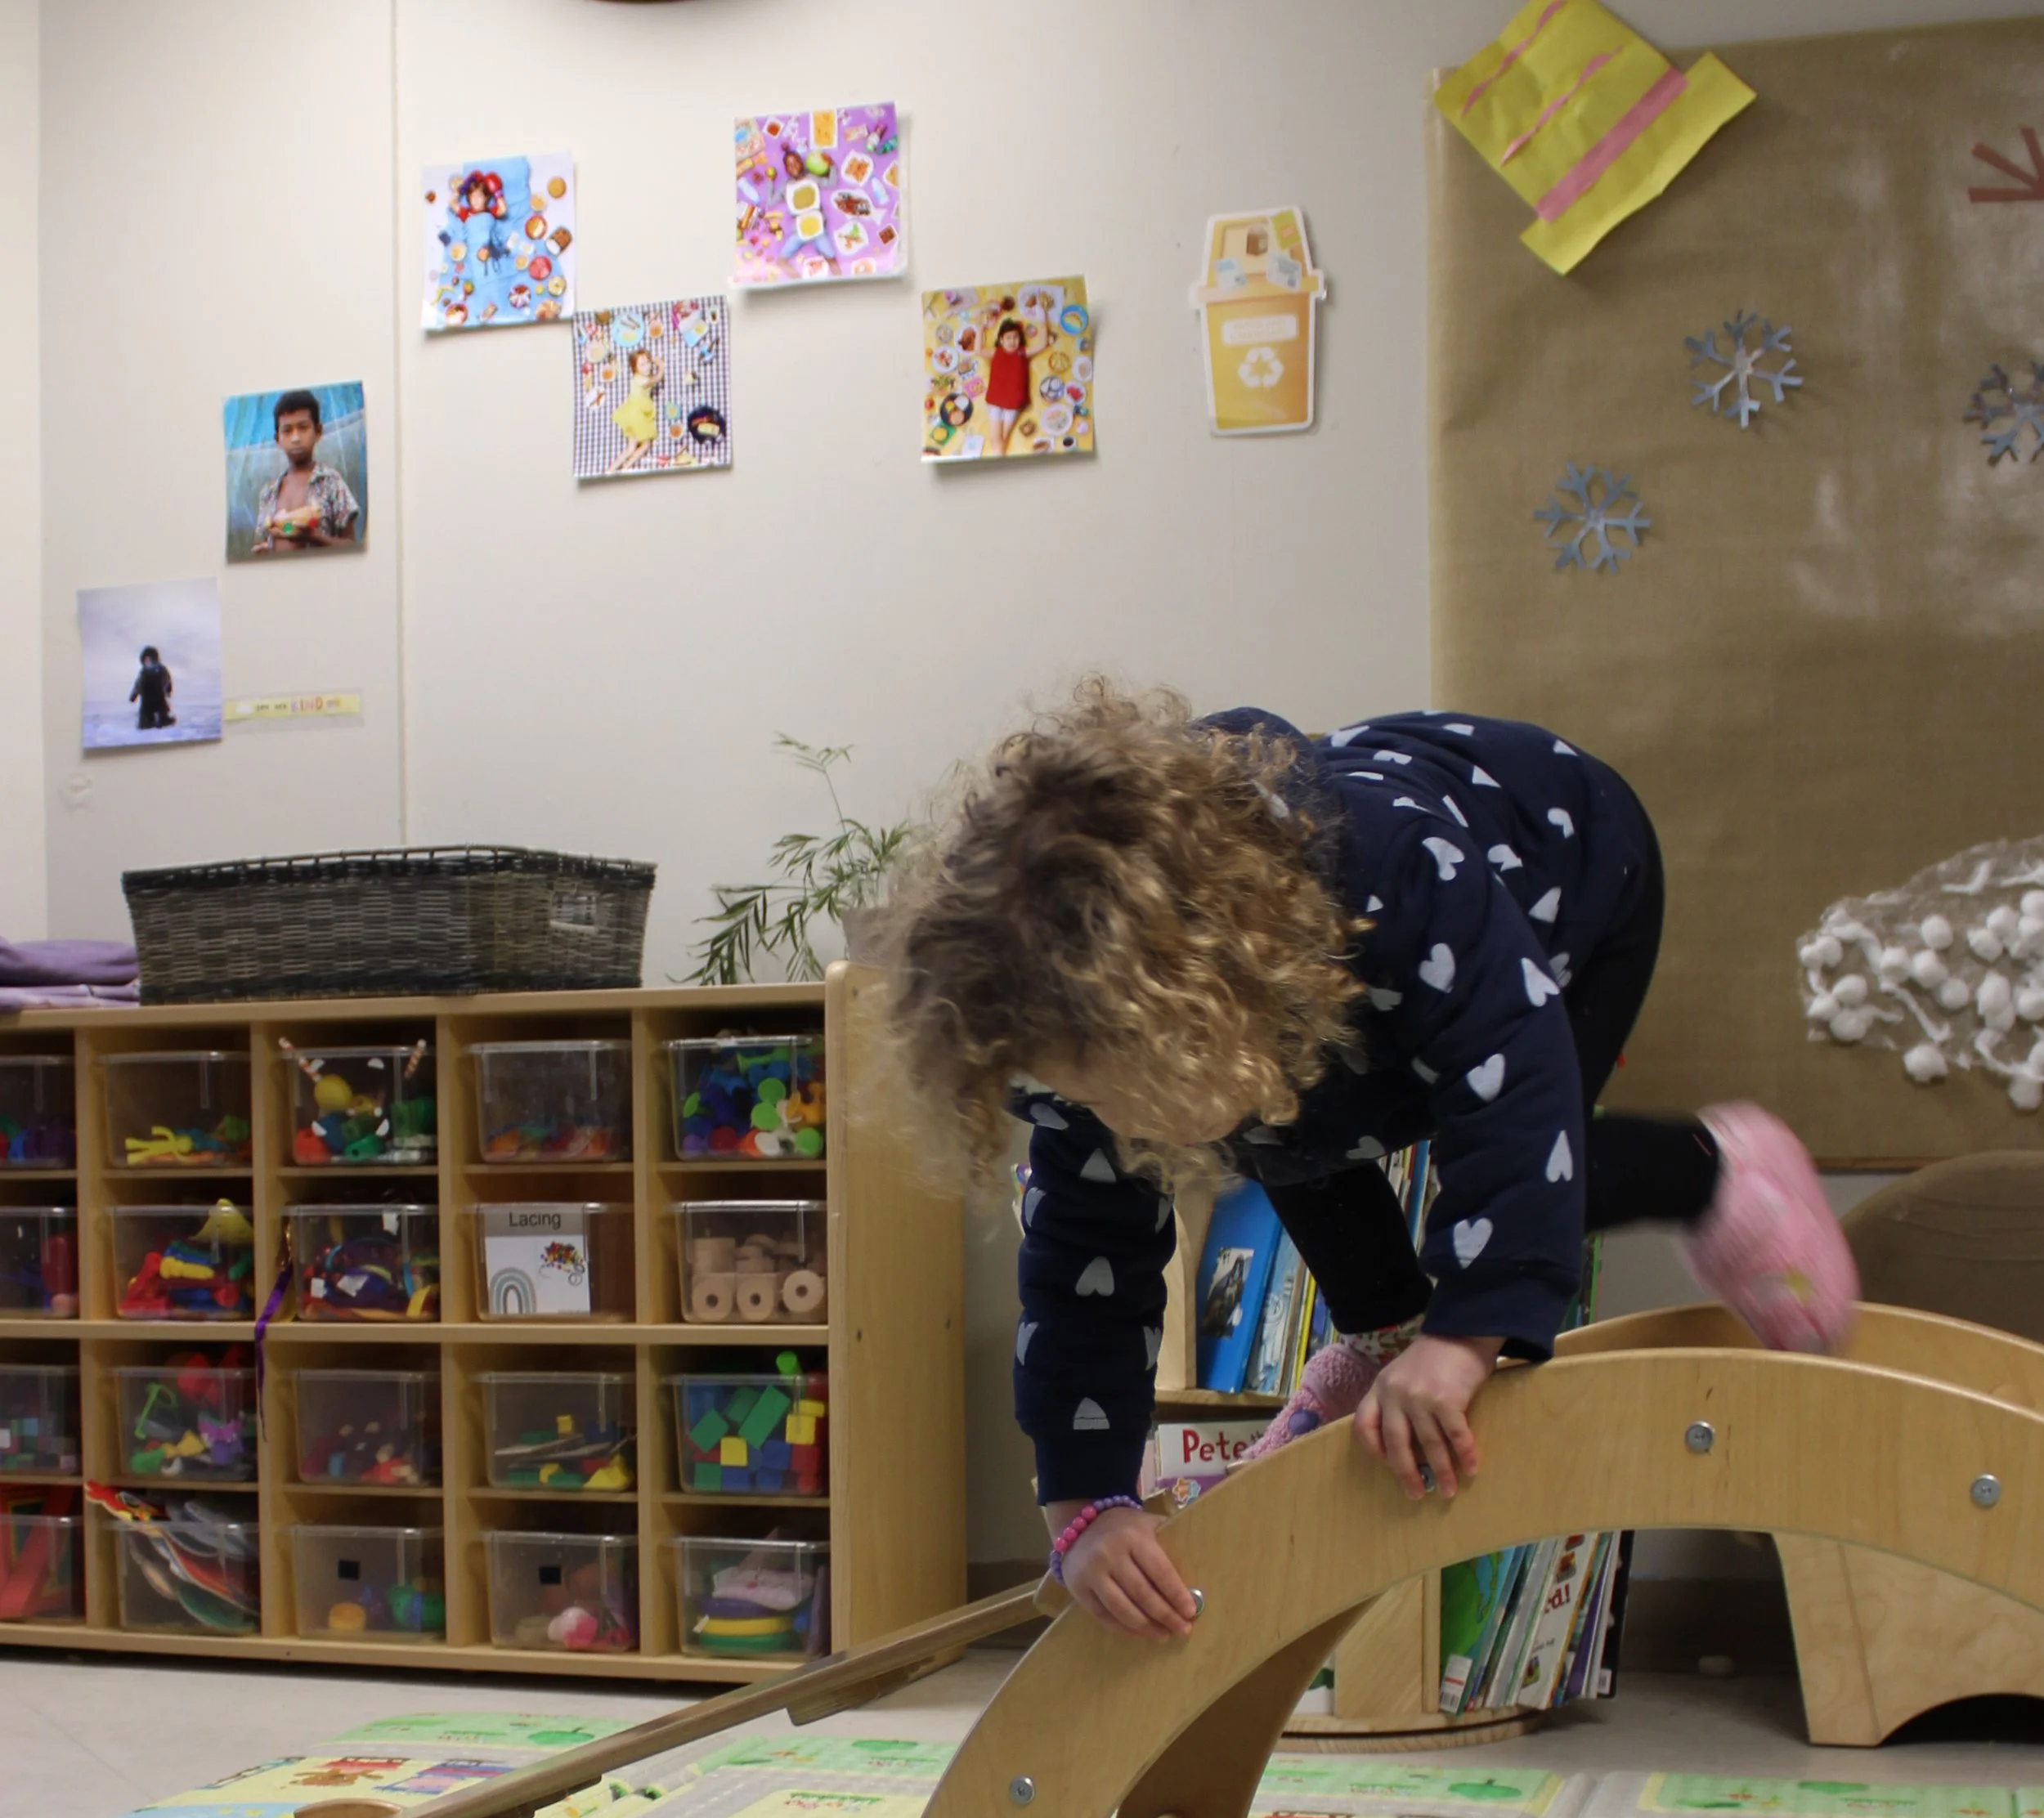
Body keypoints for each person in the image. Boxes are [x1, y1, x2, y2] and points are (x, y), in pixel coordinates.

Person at [881, 682, 1857, 1641]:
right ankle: (1384, 1320)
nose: (1106, 1117)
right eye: (1082, 1095)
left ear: (1195, 994)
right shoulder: (1081, 1043)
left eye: (1110, 1084)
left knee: (1532, 1160)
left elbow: (1512, 1088)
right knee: (1268, 1129)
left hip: (1565, 876)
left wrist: (1463, 1340)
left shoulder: (1398, 878)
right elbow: (1080, 1267)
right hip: (1316, 994)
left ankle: (1720, 1168)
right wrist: (1087, 1503)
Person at [253, 390, 361, 553]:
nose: (295, 438)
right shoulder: (268, 492)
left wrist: (315, 538)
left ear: (318, 432)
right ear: (278, 440)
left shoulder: (331, 482)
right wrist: (264, 552)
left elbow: (353, 547)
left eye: (303, 428)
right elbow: (277, 535)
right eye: (287, 430)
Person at [979, 311, 1038, 454]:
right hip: (995, 400)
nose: (1012, 341)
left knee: (1000, 439)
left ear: (1020, 339)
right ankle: (998, 461)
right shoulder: (996, 352)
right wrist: (981, 328)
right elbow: (978, 350)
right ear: (1001, 339)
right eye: (1008, 338)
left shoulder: (1022, 352)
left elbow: (1042, 344)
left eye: (1015, 337)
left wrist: (1042, 319)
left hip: (1014, 403)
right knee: (997, 440)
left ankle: (997, 461)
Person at [607, 347, 662, 472]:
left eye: (648, 363)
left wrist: (650, 359)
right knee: (646, 444)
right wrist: (661, 366)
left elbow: (648, 367)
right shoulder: (641, 379)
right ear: (634, 368)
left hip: (631, 412)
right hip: (637, 414)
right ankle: (626, 467)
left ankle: (610, 470)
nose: (647, 366)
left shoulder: (638, 377)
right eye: (642, 365)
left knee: (631, 448)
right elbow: (657, 379)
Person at [130, 646, 173, 729]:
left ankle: (162, 720)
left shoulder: (159, 669)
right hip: (148, 699)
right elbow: (138, 684)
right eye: (145, 660)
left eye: (149, 659)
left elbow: (167, 680)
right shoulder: (144, 672)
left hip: (157, 697)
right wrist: (134, 694)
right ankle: (148, 723)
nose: (147, 662)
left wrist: (168, 690)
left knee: (160, 711)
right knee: (147, 715)